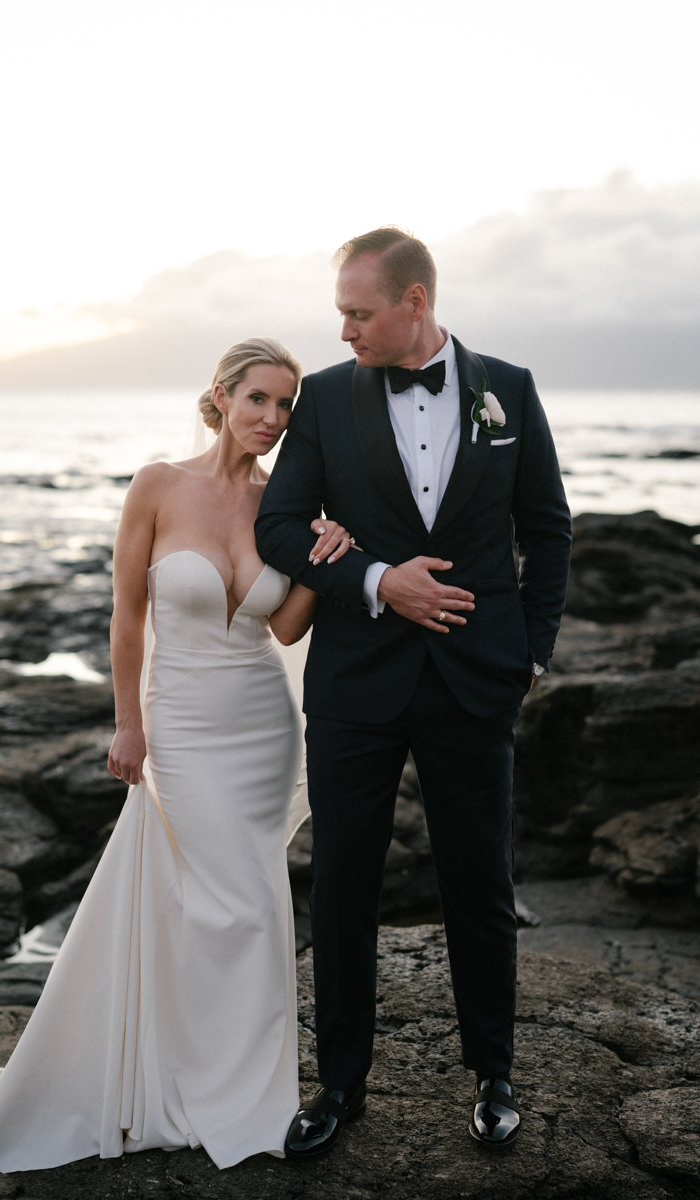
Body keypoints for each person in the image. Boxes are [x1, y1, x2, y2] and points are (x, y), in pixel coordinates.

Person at [0, 337, 353, 1172]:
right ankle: (174, 1074)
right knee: (207, 903)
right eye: (260, 399)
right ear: (219, 396)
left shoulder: (280, 504)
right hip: (177, 722)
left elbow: (284, 627)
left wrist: (324, 564)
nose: (274, 419)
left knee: (252, 904)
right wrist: (127, 722)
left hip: (259, 723)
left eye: (288, 406)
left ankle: (244, 1091)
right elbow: (125, 617)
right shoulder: (157, 484)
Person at [255, 227, 573, 1155]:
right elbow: (279, 525)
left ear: (416, 303)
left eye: (359, 312)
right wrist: (376, 579)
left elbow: (547, 529)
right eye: (341, 311)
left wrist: (533, 654)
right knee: (343, 884)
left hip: (477, 681)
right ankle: (341, 1085)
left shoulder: (505, 389)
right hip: (356, 680)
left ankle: (494, 1072)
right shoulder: (319, 399)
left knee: (481, 880)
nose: (345, 328)